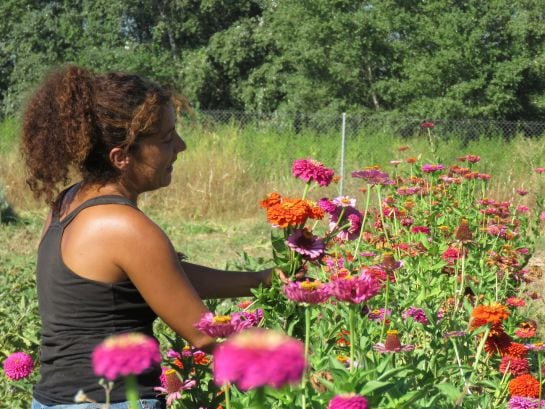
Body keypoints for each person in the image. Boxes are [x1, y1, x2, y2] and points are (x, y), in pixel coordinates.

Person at [21, 65, 272, 409]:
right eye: (166, 138)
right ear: (121, 156)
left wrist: (262, 281)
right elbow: (204, 334)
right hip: (112, 401)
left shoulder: (69, 203)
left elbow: (162, 280)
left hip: (54, 401)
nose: (180, 147)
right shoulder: (125, 227)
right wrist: (295, 366)